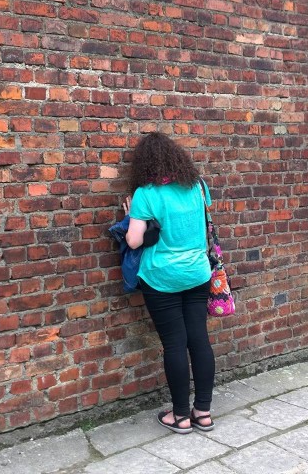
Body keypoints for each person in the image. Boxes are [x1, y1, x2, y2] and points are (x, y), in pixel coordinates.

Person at [122, 132, 215, 435]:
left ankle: (180, 417)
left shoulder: (145, 194)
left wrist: (129, 217)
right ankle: (202, 412)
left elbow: (134, 241)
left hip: (162, 278)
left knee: (174, 343)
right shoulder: (198, 186)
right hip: (198, 273)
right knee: (199, 340)